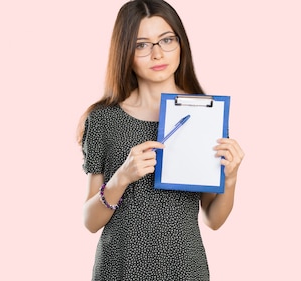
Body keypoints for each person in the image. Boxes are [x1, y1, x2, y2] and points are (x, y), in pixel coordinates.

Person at [75, 0, 244, 279]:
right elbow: (90, 221)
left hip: (185, 269)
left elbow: (213, 219)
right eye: (142, 44)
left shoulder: (205, 116)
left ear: (181, 44)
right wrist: (121, 178)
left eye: (166, 40)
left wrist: (231, 178)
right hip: (119, 269)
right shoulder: (104, 120)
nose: (157, 54)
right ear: (125, 52)